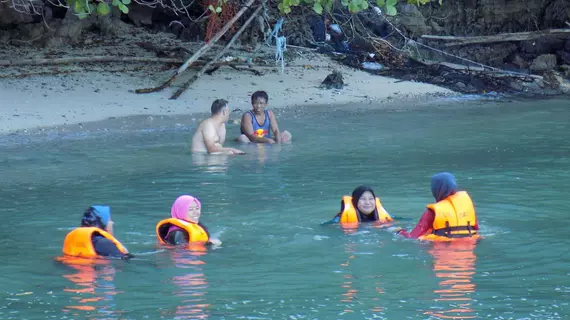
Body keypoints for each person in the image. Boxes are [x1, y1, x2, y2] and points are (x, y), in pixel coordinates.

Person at [395, 172, 479, 240]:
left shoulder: (431, 212)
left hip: (442, 251)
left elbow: (412, 237)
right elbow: (475, 228)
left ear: (436, 189)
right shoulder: (467, 206)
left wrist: (399, 231)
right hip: (469, 252)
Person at [61, 206, 132, 259]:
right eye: (109, 220)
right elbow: (127, 261)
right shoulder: (104, 243)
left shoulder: (73, 237)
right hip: (96, 275)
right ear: (103, 223)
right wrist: (125, 252)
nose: (112, 222)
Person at [156, 195, 222, 246]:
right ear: (180, 211)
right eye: (190, 209)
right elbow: (181, 253)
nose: (195, 212)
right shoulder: (178, 233)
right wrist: (209, 245)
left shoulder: (197, 225)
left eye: (197, 208)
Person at [326, 185, 393, 227]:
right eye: (363, 199)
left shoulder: (385, 216)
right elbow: (328, 226)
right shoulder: (340, 218)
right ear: (355, 201)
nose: (367, 202)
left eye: (371, 199)